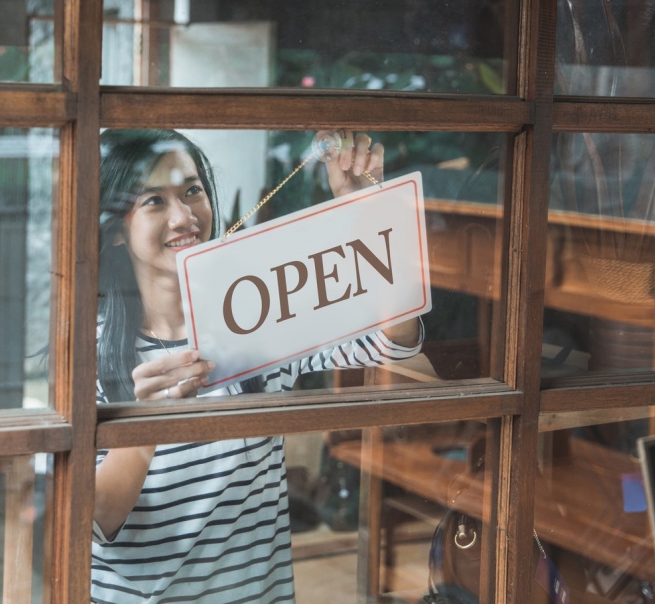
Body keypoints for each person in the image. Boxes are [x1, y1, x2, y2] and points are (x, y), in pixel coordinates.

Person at [92, 128, 424, 603]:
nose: (185, 216)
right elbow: (93, 520)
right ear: (116, 229)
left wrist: (368, 215)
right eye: (154, 201)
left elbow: (395, 342)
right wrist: (143, 430)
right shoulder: (88, 348)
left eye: (192, 191)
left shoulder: (257, 314)